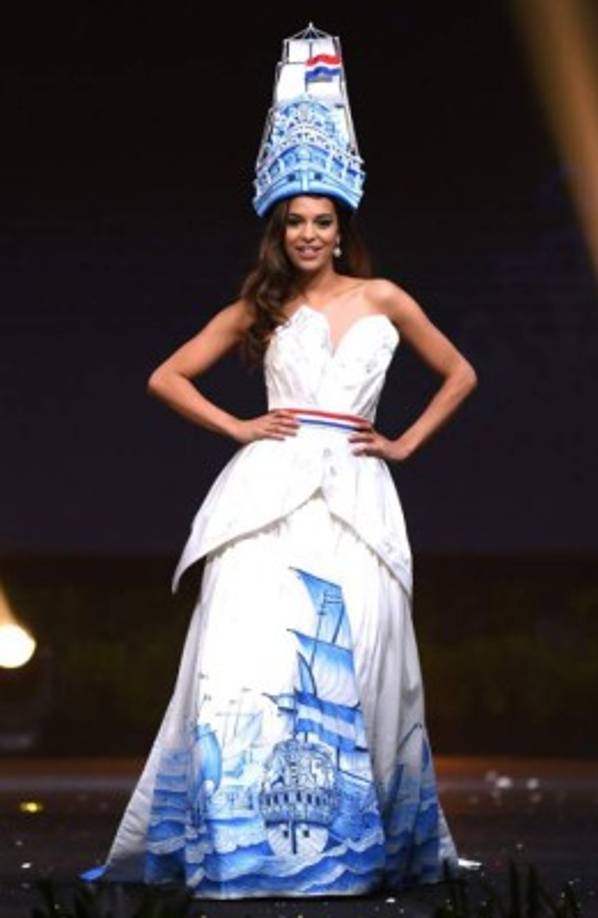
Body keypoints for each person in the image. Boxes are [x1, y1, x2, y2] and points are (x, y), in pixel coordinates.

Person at [81, 23, 480, 899]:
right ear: (282, 229)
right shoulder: (256, 304)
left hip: (358, 492)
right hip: (270, 489)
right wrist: (237, 426)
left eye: (321, 221)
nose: (307, 233)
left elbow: (460, 372)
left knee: (362, 660)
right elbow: (165, 375)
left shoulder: (383, 297)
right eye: (295, 221)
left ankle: (353, 842)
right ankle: (244, 840)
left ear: (341, 229)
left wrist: (406, 442)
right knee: (248, 653)